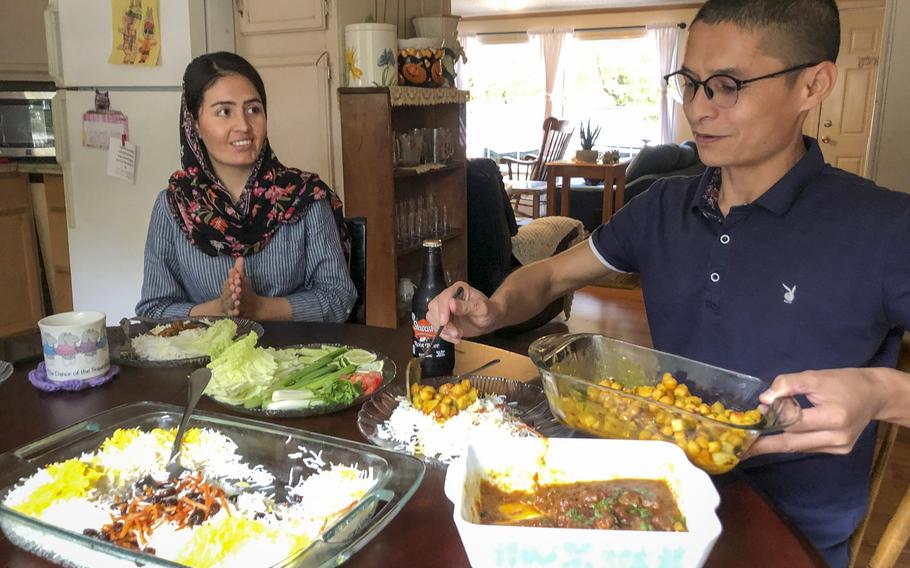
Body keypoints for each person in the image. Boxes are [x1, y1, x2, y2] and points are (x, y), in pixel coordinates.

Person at [426, 1, 910, 566]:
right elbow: (553, 272)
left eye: (727, 86)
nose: (699, 110)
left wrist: (883, 394)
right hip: (648, 497)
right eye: (690, 84)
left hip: (783, 537)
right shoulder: (662, 207)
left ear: (813, 84)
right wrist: (495, 308)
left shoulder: (884, 228)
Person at [137, 52, 356, 322]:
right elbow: (153, 310)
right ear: (194, 123)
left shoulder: (305, 197)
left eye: (253, 109)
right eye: (224, 112)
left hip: (298, 357)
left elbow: (339, 298)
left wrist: (260, 308)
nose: (243, 125)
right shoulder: (174, 206)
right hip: (208, 361)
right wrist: (219, 309)